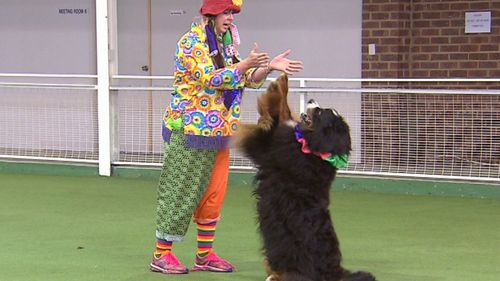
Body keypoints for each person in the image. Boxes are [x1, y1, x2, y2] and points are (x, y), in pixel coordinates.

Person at [150, 0, 303, 275]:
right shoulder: (191, 42)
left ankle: (204, 255)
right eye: (226, 12)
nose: (230, 18)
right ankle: (161, 254)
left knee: (214, 195)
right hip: (190, 131)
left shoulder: (226, 43)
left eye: (232, 13)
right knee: (181, 191)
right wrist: (245, 64)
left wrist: (268, 68)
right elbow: (211, 78)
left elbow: (242, 79)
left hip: (220, 131)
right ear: (210, 13)